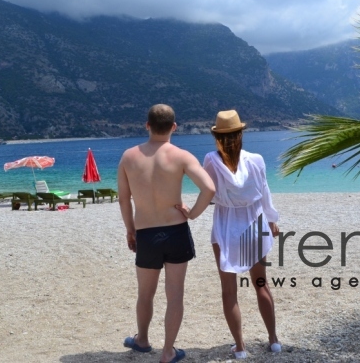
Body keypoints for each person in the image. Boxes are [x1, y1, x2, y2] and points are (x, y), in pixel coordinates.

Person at [118, 104, 215, 363]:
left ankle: (142, 339)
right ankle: (168, 351)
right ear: (174, 127)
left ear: (147, 125)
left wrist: (130, 229)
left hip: (146, 233)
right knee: (175, 295)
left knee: (145, 293)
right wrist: (191, 213)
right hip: (176, 231)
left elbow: (124, 200)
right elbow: (209, 188)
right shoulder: (182, 156)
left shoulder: (129, 156)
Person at [189, 109, 281, 359]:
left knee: (229, 291)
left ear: (217, 136)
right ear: (241, 133)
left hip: (226, 226)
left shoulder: (211, 159)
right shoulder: (257, 159)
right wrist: (272, 220)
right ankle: (273, 340)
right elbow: (265, 192)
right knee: (261, 284)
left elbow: (207, 192)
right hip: (254, 224)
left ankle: (240, 347)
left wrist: (190, 213)